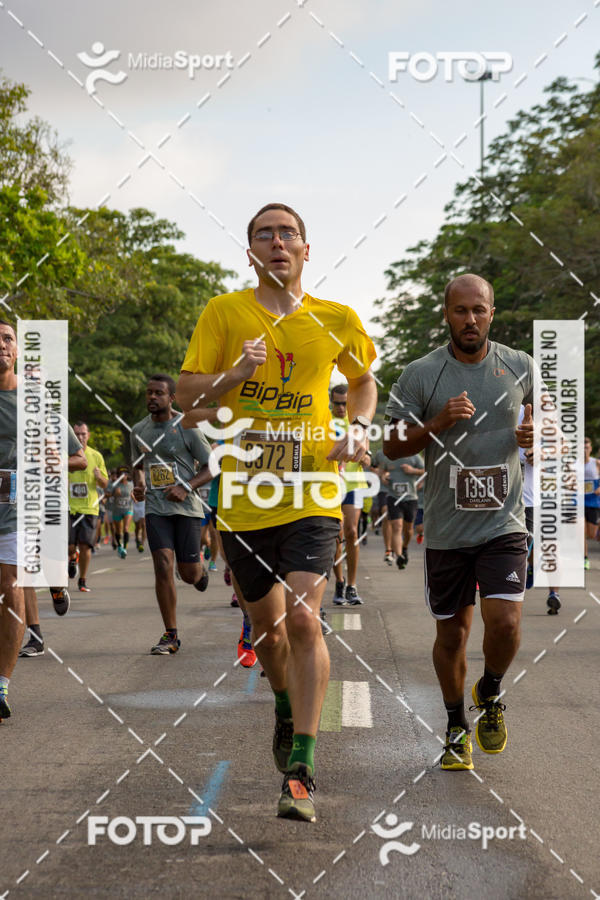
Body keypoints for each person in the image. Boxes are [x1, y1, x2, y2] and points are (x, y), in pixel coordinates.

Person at [176, 202, 376, 822]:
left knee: (303, 619)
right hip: (244, 500)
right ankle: (284, 707)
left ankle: (303, 767)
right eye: (265, 234)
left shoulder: (335, 318)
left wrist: (360, 426)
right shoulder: (225, 312)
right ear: (252, 252)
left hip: (313, 491)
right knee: (266, 633)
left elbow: (364, 381)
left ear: (306, 251)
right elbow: (186, 396)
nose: (277, 242)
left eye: (288, 233)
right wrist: (236, 371)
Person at [384, 274, 534, 772]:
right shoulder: (421, 374)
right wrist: (436, 424)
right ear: (445, 314)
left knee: (506, 622)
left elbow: (550, 430)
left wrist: (537, 434)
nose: (471, 320)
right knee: (452, 636)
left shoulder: (520, 366)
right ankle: (454, 724)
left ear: (493, 312)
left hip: (504, 522)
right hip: (448, 529)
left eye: (479, 310)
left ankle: (489, 690)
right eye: (460, 311)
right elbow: (391, 446)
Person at [131, 374, 212, 655]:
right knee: (163, 564)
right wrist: (139, 485)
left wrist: (186, 486)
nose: (152, 397)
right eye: (149, 393)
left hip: (187, 508)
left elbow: (211, 466)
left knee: (188, 574)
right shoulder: (138, 430)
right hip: (156, 508)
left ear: (171, 398)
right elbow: (138, 464)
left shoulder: (187, 426)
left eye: (159, 393)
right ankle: (171, 634)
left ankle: (198, 573)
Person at [19, 435, 87, 657]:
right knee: (23, 570)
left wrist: (50, 462)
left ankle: (57, 590)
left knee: (54, 574)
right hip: (20, 506)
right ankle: (35, 637)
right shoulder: (7, 416)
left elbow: (81, 461)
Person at [330, 383, 370, 605]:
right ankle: (339, 581)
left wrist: (365, 459)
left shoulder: (358, 421)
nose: (341, 408)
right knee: (337, 533)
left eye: (345, 403)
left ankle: (352, 586)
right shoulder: (323, 421)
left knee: (352, 532)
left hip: (353, 484)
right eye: (337, 403)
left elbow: (369, 457)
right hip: (329, 484)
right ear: (331, 401)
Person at [519, 406, 560, 615]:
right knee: (519, 549)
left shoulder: (545, 412)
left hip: (538, 497)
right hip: (507, 498)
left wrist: (543, 452)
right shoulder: (499, 402)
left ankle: (554, 594)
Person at [68, 422, 108, 592]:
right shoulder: (65, 455)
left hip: (89, 509)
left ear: (88, 435)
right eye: (76, 434)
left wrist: (99, 477)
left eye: (83, 434)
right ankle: (72, 558)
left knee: (85, 545)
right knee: (68, 547)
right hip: (68, 508)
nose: (80, 437)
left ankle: (82, 580)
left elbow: (105, 484)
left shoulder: (96, 456)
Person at [383, 453, 424, 569]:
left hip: (410, 498)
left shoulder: (414, 456)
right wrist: (383, 476)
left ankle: (404, 547)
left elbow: (426, 470)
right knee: (397, 526)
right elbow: (381, 470)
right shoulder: (389, 455)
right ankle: (399, 555)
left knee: (409, 529)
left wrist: (413, 471)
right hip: (394, 497)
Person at [370, 449, 392, 564]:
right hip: (384, 490)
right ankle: (388, 550)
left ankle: (402, 547)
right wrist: (381, 473)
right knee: (386, 516)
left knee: (401, 524)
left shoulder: (407, 448)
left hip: (401, 490)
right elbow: (372, 467)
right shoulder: (380, 453)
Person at [583, 436, 600, 570]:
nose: (584, 450)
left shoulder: (596, 463)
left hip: (593, 502)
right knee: (581, 533)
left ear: (590, 449)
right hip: (579, 502)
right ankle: (585, 559)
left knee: (592, 535)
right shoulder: (575, 464)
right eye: (582, 447)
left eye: (587, 447)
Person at [111, 466, 134, 559]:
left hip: (128, 508)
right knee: (118, 530)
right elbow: (107, 494)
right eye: (121, 474)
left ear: (127, 475)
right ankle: (119, 546)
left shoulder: (131, 484)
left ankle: (125, 548)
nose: (123, 476)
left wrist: (134, 497)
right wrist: (114, 493)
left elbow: (133, 493)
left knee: (125, 528)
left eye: (125, 474)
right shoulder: (114, 484)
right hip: (117, 509)